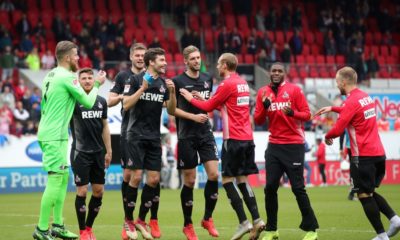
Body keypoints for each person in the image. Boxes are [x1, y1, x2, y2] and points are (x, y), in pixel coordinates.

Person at [180, 53, 265, 240]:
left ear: (225, 65)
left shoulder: (226, 84)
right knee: (242, 179)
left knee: (227, 180)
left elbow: (209, 106)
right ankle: (257, 219)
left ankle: (244, 222)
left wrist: (189, 98)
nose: (217, 67)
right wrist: (201, 98)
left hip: (232, 138)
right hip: (248, 139)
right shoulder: (242, 83)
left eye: (219, 64)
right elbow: (226, 106)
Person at [314, 66, 400, 240]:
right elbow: (352, 110)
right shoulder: (365, 97)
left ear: (344, 82)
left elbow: (338, 129)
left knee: (363, 195)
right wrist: (332, 108)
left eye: (337, 82)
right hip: (378, 154)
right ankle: (395, 220)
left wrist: (327, 136)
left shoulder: (350, 101)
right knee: (369, 192)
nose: (337, 85)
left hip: (362, 156)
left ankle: (382, 236)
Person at [33, 40, 106, 240]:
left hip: (53, 132)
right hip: (54, 135)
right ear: (67, 57)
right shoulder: (67, 77)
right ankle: (41, 229)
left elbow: (44, 105)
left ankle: (57, 225)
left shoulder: (50, 74)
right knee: (56, 179)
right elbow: (89, 102)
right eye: (75, 55)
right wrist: (98, 83)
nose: (78, 59)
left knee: (63, 178)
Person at [254, 62, 319, 240]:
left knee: (298, 188)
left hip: (294, 145)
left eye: (279, 71)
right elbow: (258, 121)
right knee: (270, 188)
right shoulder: (262, 93)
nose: (276, 73)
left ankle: (312, 229)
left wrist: (293, 114)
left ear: (285, 73)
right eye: (273, 70)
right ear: (269, 73)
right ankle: (272, 229)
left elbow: (307, 114)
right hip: (274, 145)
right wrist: (266, 106)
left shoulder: (295, 90)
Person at [122, 47, 176, 240]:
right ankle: (128, 220)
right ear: (151, 62)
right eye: (162, 60)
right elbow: (126, 105)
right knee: (135, 177)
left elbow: (170, 110)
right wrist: (142, 89)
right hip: (135, 135)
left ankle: (140, 219)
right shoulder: (135, 80)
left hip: (154, 137)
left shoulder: (163, 83)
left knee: (153, 180)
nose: (165, 63)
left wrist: (172, 92)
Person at [172, 45, 219, 240]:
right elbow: (171, 110)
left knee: (214, 175)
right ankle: (188, 225)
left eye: (198, 58)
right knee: (190, 181)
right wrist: (193, 117)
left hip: (205, 133)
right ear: (185, 61)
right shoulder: (177, 81)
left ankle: (207, 218)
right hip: (186, 135)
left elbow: (210, 101)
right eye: (192, 59)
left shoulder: (207, 79)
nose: (197, 61)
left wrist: (206, 102)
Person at [107, 43, 152, 240]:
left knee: (147, 177)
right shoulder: (122, 77)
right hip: (129, 131)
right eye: (138, 54)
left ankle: (141, 220)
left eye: (143, 55)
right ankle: (128, 221)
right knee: (128, 175)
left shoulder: (151, 76)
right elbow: (109, 100)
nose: (141, 57)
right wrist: (123, 97)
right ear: (131, 56)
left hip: (149, 133)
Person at [70, 68, 112, 240]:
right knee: (82, 191)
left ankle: (89, 228)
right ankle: (82, 232)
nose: (87, 81)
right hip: (80, 153)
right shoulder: (72, 101)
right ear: (78, 81)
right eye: (84, 78)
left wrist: (109, 150)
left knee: (99, 192)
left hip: (98, 153)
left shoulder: (101, 101)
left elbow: (105, 127)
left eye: (90, 78)